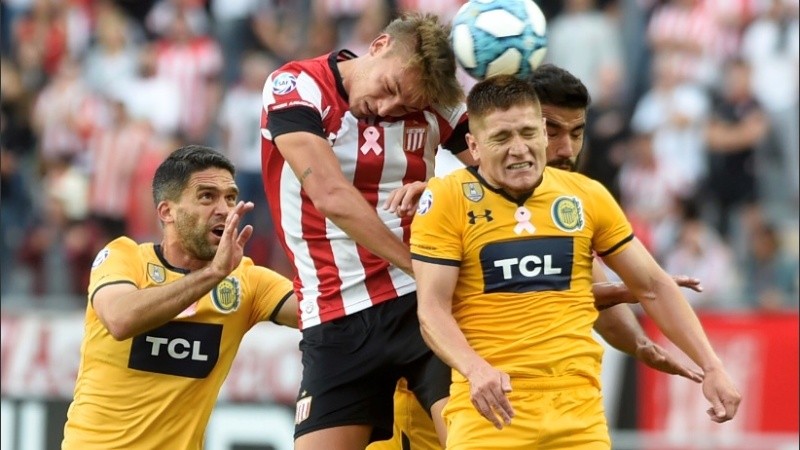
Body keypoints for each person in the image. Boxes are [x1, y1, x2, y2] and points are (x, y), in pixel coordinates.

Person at [372, 64, 705, 450]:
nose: (564, 149)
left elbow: (566, 292)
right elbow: (460, 302)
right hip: (450, 361)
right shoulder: (446, 193)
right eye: (552, 131)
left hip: (564, 410)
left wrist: (640, 327)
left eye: (576, 133)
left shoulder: (581, 196)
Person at [260, 13, 471, 449]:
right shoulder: (298, 86)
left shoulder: (437, 104)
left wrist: (443, 188)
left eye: (407, 107)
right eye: (391, 89)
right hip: (335, 313)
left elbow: (498, 174)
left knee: (472, 442)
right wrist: (417, 264)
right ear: (377, 46)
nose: (390, 109)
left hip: (423, 307)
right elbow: (330, 195)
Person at [61, 145, 297, 450]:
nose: (224, 209)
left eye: (230, 197)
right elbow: (120, 319)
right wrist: (212, 275)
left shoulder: (247, 282)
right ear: (167, 211)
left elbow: (326, 310)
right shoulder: (123, 257)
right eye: (207, 196)